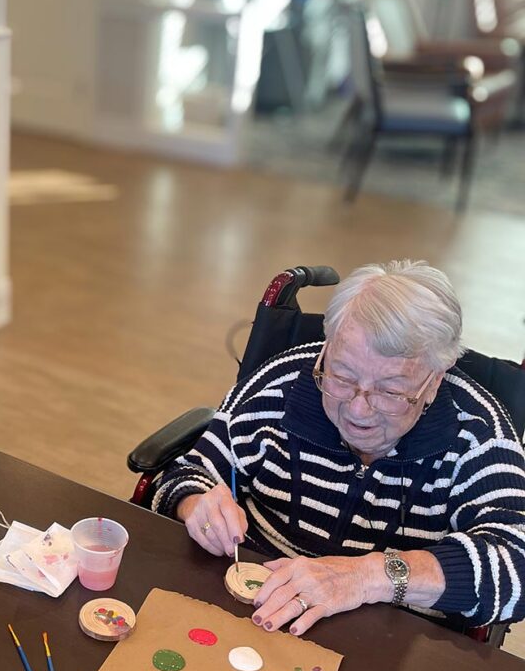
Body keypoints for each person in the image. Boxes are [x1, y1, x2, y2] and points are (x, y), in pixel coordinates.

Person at [151, 259, 525, 635]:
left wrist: (367, 577)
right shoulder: (281, 384)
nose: (358, 409)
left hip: (390, 638)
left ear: (435, 380)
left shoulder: (477, 435)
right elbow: (186, 475)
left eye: (390, 391)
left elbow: (517, 564)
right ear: (328, 346)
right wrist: (196, 504)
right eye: (342, 376)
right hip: (250, 605)